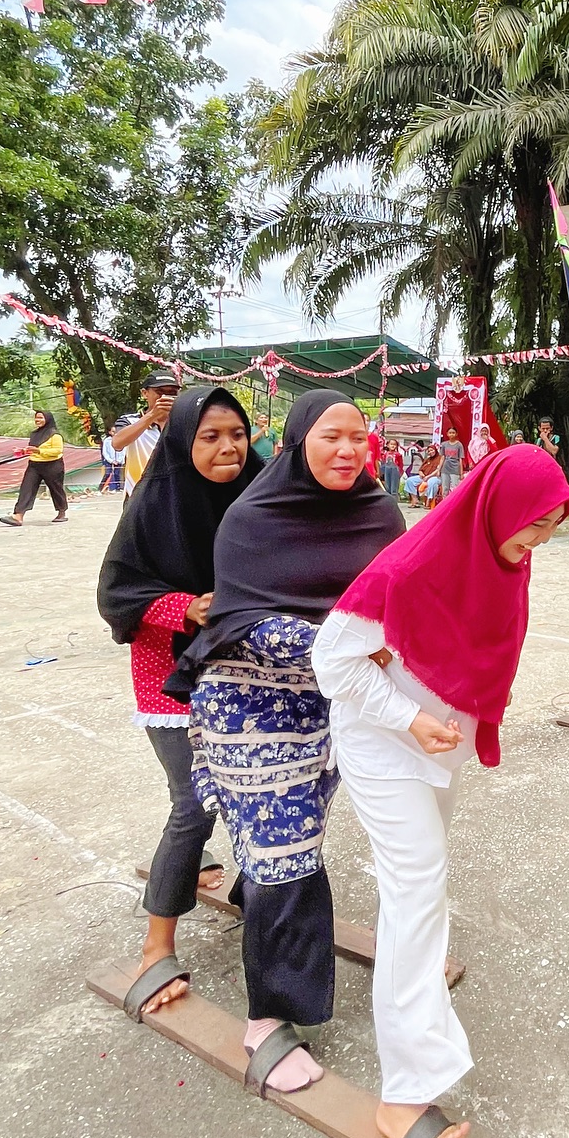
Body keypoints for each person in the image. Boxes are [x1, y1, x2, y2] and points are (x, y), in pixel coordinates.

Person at [312, 445, 569, 1138]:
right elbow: (332, 661)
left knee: (418, 888)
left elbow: (482, 648)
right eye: (528, 534)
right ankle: (406, 1089)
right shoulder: (407, 568)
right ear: (494, 510)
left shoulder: (503, 563)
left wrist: (448, 717)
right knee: (417, 891)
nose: (532, 551)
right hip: (382, 745)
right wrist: (404, 716)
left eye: (545, 536)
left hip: (438, 746)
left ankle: (411, 1021)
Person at [166, 394, 404, 1093]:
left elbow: (402, 597)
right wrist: (359, 648)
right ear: (300, 440)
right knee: (283, 850)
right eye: (333, 436)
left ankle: (259, 898)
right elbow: (247, 622)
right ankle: (270, 1016)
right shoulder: (251, 519)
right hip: (251, 702)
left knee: (304, 837)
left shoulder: (380, 513)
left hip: (337, 704)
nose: (349, 450)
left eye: (360, 438)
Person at [97, 386, 266, 1017]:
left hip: (244, 671)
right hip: (170, 674)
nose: (228, 447)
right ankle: (156, 945)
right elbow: (118, 591)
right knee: (194, 804)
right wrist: (182, 607)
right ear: (181, 442)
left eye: (237, 435)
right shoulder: (155, 502)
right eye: (210, 436)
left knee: (255, 791)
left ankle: (261, 895)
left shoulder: (261, 492)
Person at [110, 368, 181, 496]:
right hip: (138, 496)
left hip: (175, 493)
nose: (165, 397)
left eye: (172, 393)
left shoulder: (184, 421)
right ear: (144, 393)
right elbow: (117, 443)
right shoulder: (129, 421)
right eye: (159, 392)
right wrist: (152, 415)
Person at [0, 409, 68, 525]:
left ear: (48, 419)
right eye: (36, 417)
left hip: (52, 465)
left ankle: (61, 512)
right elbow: (34, 449)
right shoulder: (34, 434)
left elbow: (57, 450)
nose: (38, 420)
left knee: (56, 489)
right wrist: (24, 451)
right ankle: (18, 516)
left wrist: (38, 450)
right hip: (34, 465)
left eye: (41, 418)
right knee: (26, 488)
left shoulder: (55, 435)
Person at [439, 428, 464, 498]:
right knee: (445, 488)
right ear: (447, 434)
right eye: (450, 433)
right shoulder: (444, 444)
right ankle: (444, 504)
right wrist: (439, 469)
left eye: (453, 432)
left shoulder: (459, 445)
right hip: (445, 468)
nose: (451, 434)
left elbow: (460, 459)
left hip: (455, 468)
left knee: (455, 487)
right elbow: (442, 457)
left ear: (456, 434)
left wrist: (461, 472)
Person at [99, 426, 124, 493]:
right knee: (107, 473)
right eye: (113, 431)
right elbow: (105, 452)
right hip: (109, 460)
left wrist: (119, 460)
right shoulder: (107, 441)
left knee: (117, 474)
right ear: (110, 432)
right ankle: (100, 489)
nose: (115, 433)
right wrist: (111, 460)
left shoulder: (120, 439)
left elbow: (123, 450)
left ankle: (117, 488)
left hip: (118, 460)